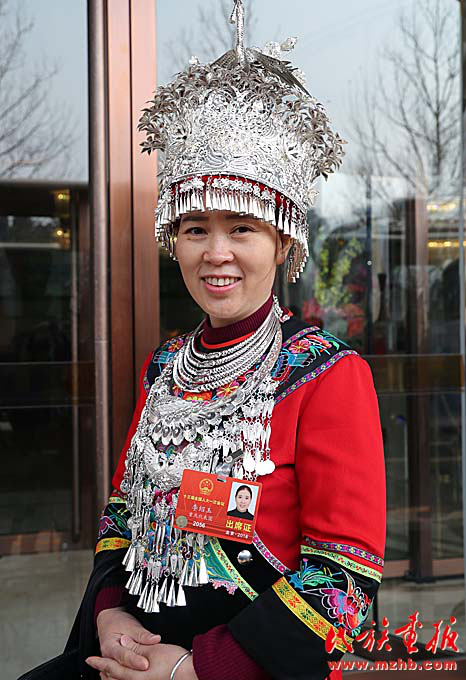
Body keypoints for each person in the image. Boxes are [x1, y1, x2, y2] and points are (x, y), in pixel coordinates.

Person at [84, 2, 386, 679]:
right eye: (196, 229)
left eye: (241, 228)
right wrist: (109, 613)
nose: (216, 253)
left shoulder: (325, 377)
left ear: (283, 243)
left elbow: (345, 580)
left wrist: (195, 669)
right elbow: (123, 514)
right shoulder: (165, 366)